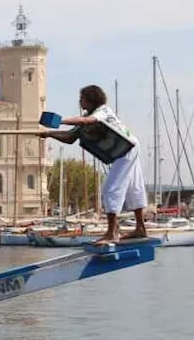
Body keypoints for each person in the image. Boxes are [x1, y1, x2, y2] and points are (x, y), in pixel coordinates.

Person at [43, 85, 147, 244]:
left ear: (92, 100)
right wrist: (49, 134)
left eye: (82, 98)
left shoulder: (102, 111)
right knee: (134, 188)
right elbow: (70, 138)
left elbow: (87, 121)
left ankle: (112, 233)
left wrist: (60, 121)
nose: (80, 101)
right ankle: (140, 228)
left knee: (111, 189)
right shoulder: (87, 117)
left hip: (126, 148)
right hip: (127, 148)